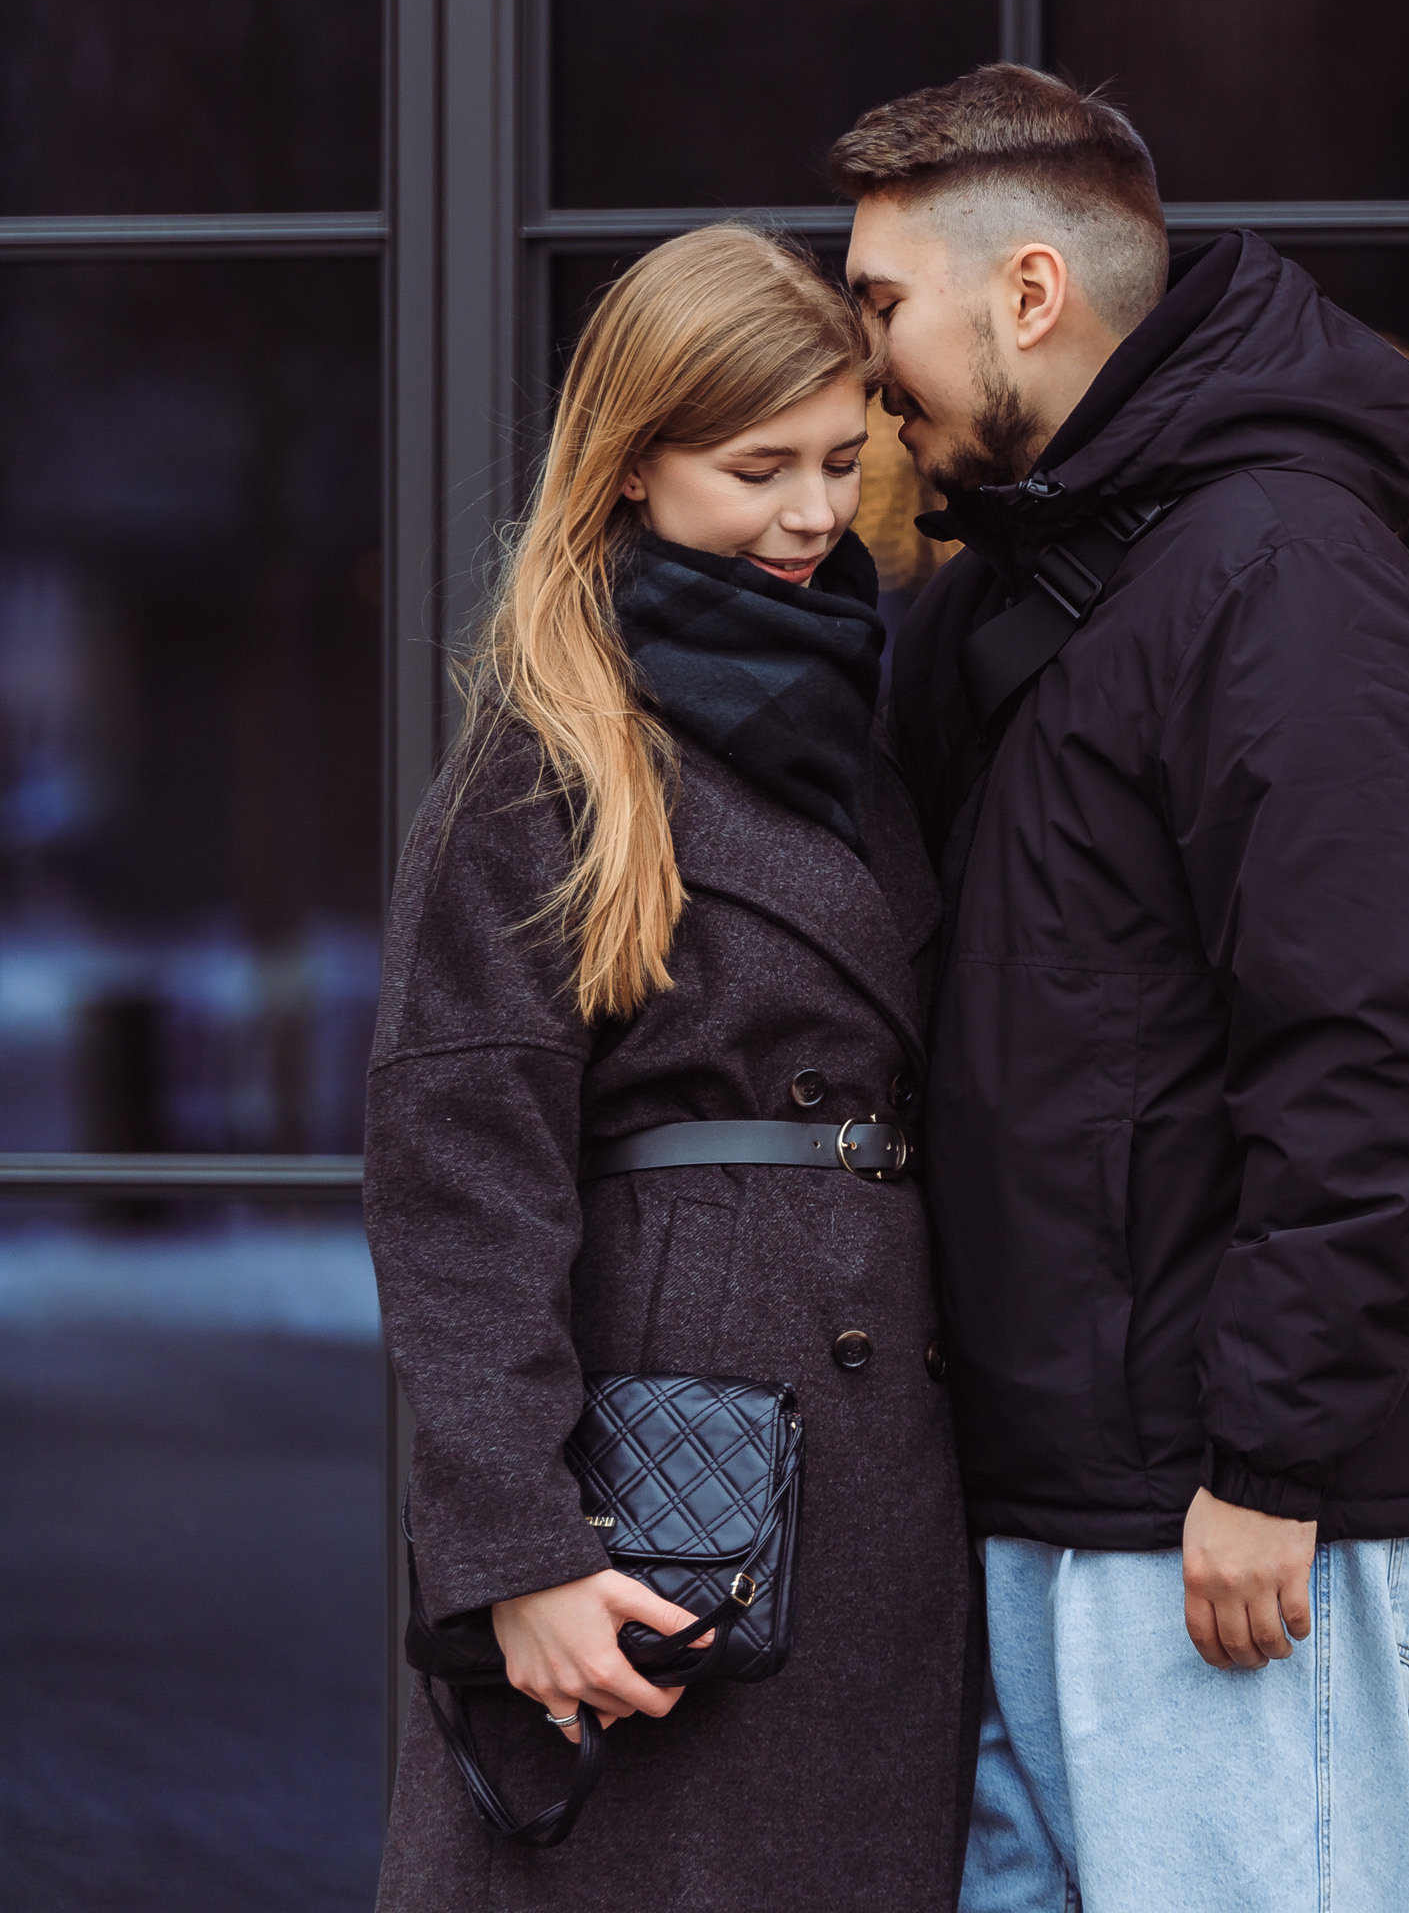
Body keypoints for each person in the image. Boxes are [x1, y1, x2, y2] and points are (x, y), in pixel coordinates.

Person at [831, 64, 1409, 1913]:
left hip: (1212, 1511)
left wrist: (1269, 1464)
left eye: (886, 303)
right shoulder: (1053, 573)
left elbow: (1373, 1047)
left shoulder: (1280, 577)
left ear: (1027, 294)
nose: (866, 357)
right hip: (1071, 1484)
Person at [365, 226, 974, 1913]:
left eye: (844, 464)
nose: (809, 516)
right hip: (666, 1483)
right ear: (635, 464)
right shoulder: (546, 759)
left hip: (870, 1472)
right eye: (755, 467)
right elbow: (456, 1176)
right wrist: (521, 1554)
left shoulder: (852, 716)